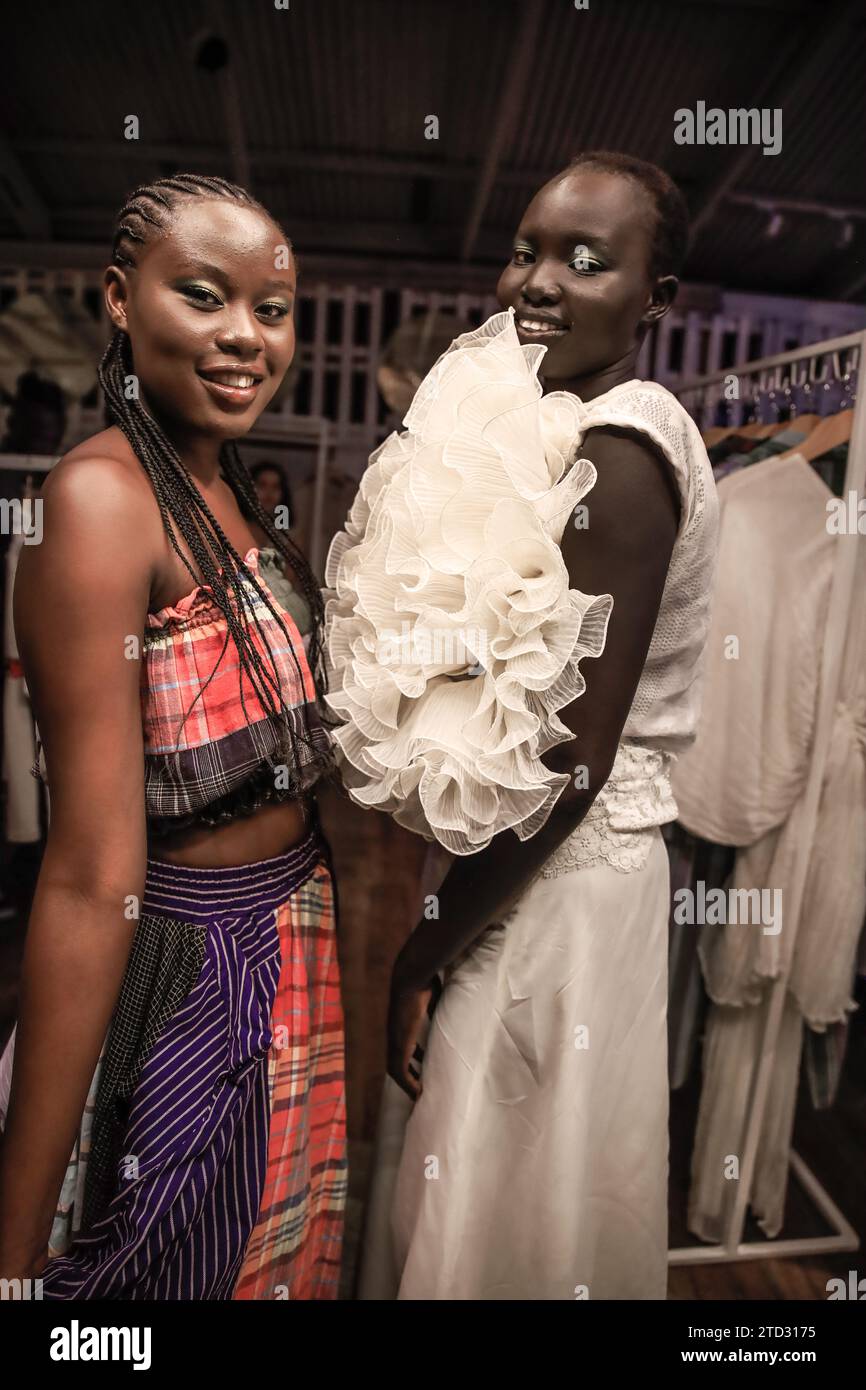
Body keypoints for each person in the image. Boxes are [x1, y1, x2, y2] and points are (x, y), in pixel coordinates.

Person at [326, 151, 719, 1299]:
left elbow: (567, 764)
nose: (536, 282)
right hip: (534, 865)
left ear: (656, 300)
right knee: (510, 1189)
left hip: (558, 880)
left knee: (511, 1198)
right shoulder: (561, 422)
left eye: (585, 260)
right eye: (525, 250)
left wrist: (420, 948)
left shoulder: (620, 447)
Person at [0, 174, 347, 1300]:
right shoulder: (99, 500)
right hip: (193, 977)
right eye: (204, 296)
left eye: (273, 308)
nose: (246, 336)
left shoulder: (232, 491)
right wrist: (9, 1251)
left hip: (293, 948)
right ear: (117, 297)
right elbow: (93, 877)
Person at [246, 461, 313, 642]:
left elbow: (289, 579)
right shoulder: (239, 524)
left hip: (278, 608)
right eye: (262, 485)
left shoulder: (285, 533)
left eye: (276, 487)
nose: (269, 493)